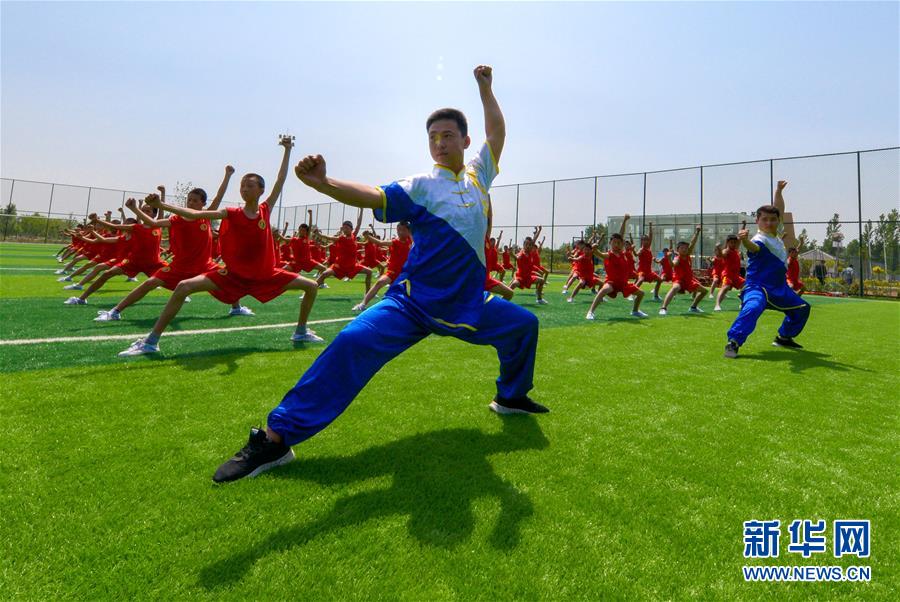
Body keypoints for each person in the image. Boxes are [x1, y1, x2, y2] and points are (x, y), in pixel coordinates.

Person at [213, 65, 547, 484]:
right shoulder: (421, 185)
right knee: (352, 341)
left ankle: (511, 396)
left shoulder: (481, 173)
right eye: (432, 137)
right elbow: (374, 193)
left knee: (523, 326)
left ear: (464, 140)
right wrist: (325, 184)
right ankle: (276, 439)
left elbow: (497, 132)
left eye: (447, 135)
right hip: (412, 302)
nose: (439, 143)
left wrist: (486, 88)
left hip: (467, 303)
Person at [117, 136, 323, 356]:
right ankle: (150, 341)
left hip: (265, 275)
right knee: (183, 287)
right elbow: (194, 213)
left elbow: (280, 180)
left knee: (311, 286)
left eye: (250, 185)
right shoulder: (231, 213)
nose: (244, 189)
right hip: (234, 276)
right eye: (242, 185)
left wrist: (287, 149)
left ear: (260, 190)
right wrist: (161, 205)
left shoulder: (265, 209)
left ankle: (300, 331)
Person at [94, 168, 252, 321]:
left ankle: (236, 308)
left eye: (195, 200)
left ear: (203, 204)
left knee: (230, 280)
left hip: (205, 266)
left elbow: (219, 196)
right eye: (189, 199)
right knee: (149, 283)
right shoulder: (176, 220)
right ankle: (115, 311)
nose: (191, 202)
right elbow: (152, 222)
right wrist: (135, 209)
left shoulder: (205, 217)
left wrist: (227, 176)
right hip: (179, 267)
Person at [724, 181, 810, 358]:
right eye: (764, 219)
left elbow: (778, 206)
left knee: (802, 308)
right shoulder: (758, 240)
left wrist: (778, 190)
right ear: (757, 221)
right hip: (758, 287)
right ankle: (733, 342)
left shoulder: (776, 235)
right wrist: (745, 240)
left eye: (773, 219)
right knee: (753, 308)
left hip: (779, 288)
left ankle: (784, 337)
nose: (769, 222)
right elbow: (752, 247)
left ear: (778, 221)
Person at [351, 221, 413, 311]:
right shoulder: (395, 242)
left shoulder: (411, 240)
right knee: (379, 282)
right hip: (393, 272)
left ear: (408, 231)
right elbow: (380, 242)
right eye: (398, 229)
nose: (400, 232)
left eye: (403, 230)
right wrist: (368, 237)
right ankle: (362, 304)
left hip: (405, 274)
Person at [659, 226, 707, 315]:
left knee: (704, 291)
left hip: (689, 281)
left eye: (686, 248)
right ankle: (663, 308)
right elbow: (673, 264)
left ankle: (693, 307)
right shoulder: (677, 258)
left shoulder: (688, 255)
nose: (684, 249)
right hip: (679, 280)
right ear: (678, 250)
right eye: (682, 248)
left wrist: (697, 232)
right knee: (675, 288)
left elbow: (693, 243)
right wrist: (669, 258)